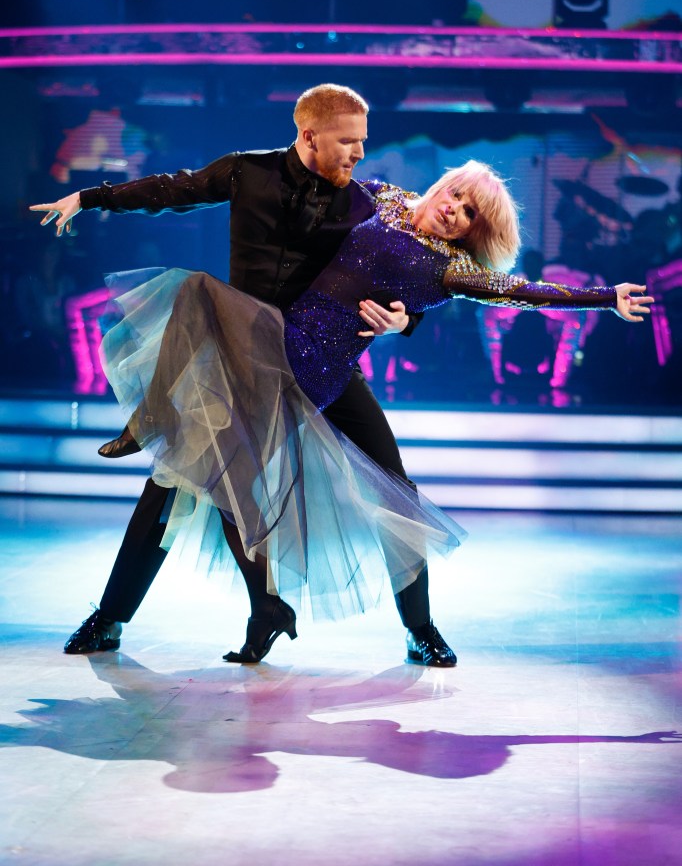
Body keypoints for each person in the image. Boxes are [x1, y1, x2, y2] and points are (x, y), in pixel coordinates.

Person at [30, 83, 461, 668]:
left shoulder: (366, 201)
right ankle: (109, 619)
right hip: (242, 359)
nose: (360, 153)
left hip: (323, 364)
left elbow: (419, 267)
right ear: (309, 135)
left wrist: (403, 321)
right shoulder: (245, 172)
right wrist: (90, 196)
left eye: (364, 142)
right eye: (348, 142)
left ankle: (421, 628)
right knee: (173, 484)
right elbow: (169, 190)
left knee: (393, 484)